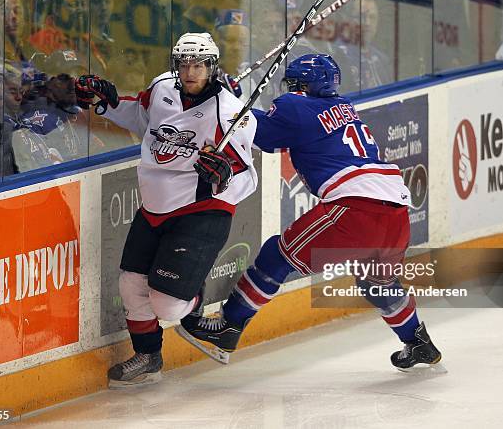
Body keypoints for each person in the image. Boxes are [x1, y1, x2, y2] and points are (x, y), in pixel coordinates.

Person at [176, 54, 442, 370]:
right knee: (377, 284)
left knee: (276, 256)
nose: (288, 89)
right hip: (396, 212)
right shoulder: (344, 107)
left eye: (293, 83)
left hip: (355, 207)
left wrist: (227, 98)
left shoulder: (295, 106)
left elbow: (261, 135)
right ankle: (418, 341)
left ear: (303, 85)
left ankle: (230, 326)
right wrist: (234, 100)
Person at [76, 32, 258, 387]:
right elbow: (144, 118)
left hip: (201, 210)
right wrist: (107, 103)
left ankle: (193, 304)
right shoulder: (162, 88)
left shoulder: (230, 112)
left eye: (200, 65)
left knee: (169, 305)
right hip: (155, 207)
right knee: (131, 285)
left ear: (212, 68)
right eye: (185, 64)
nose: (191, 72)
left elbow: (245, 175)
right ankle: (148, 356)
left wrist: (222, 173)